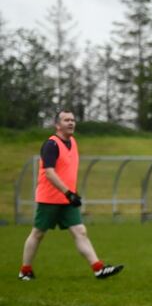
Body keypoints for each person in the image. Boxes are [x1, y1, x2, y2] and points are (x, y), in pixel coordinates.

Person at [18, 110, 124, 281]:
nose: (71, 123)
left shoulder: (73, 142)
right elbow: (49, 173)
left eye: (73, 120)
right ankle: (25, 270)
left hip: (67, 199)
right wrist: (68, 192)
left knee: (80, 231)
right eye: (66, 120)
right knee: (38, 233)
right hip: (50, 199)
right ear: (57, 125)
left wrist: (72, 193)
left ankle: (98, 269)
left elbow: (66, 171)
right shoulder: (51, 145)